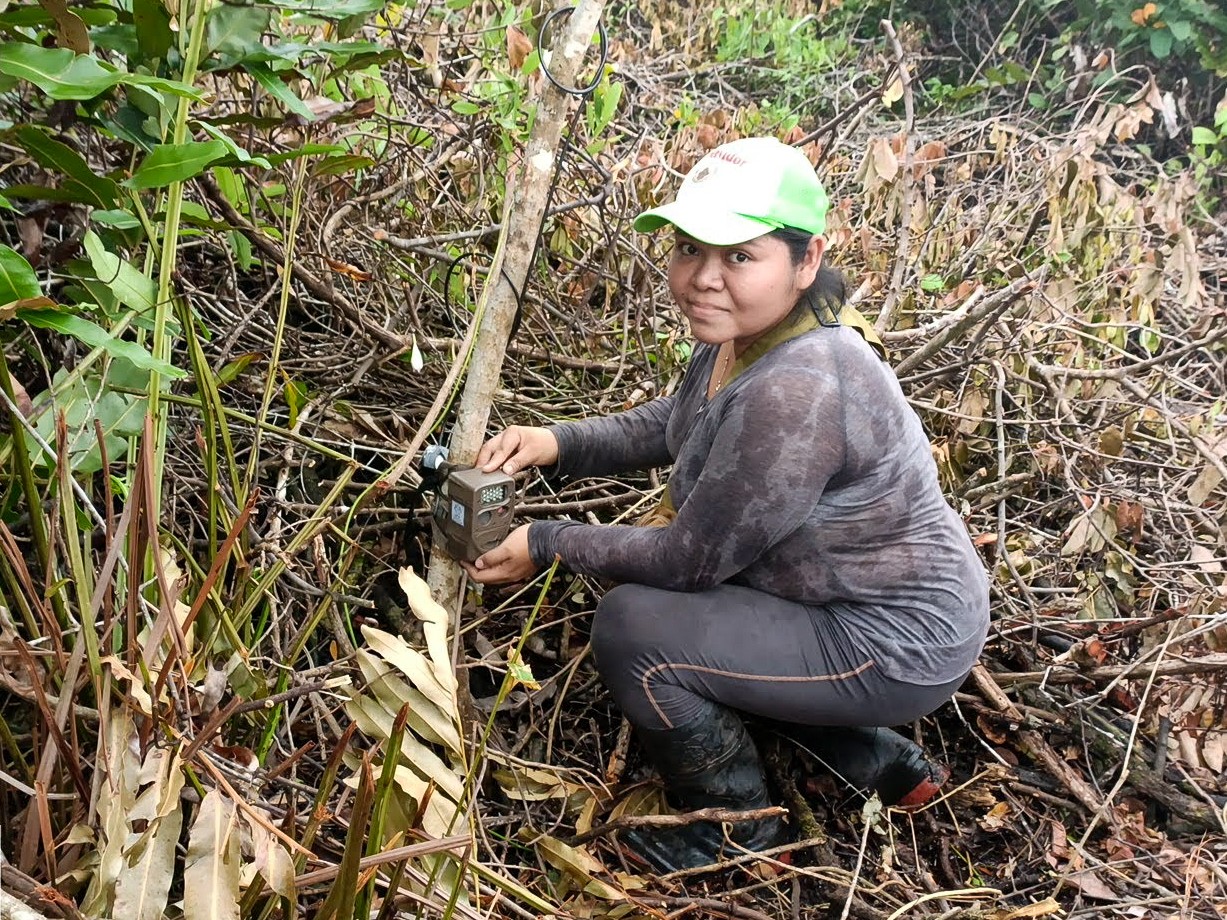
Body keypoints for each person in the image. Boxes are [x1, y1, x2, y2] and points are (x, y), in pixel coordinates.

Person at [460, 137, 991, 872]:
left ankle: (738, 826)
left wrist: (544, 541)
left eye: (740, 256)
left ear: (806, 262)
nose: (703, 279)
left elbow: (688, 560)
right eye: (688, 250)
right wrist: (555, 441)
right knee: (685, 603)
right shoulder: (744, 337)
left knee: (636, 626)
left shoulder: (799, 387)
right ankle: (874, 759)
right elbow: (673, 423)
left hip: (894, 643)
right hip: (842, 602)